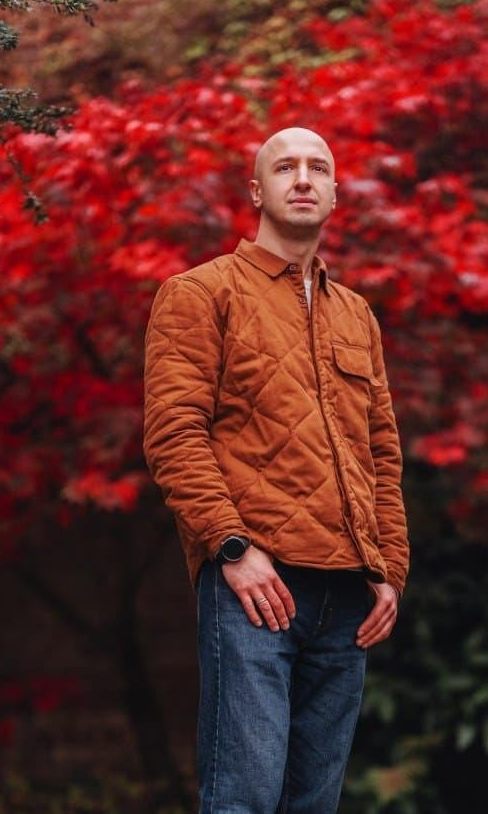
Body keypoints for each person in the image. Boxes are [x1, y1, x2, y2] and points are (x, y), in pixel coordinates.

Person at [143, 126, 409, 813]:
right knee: (243, 799)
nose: (302, 177)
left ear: (333, 192)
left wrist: (389, 569)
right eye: (284, 166)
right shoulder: (199, 294)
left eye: (317, 167)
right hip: (254, 585)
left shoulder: (357, 316)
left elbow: (380, 451)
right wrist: (230, 547)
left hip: (348, 595)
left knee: (312, 805)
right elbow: (174, 434)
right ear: (256, 190)